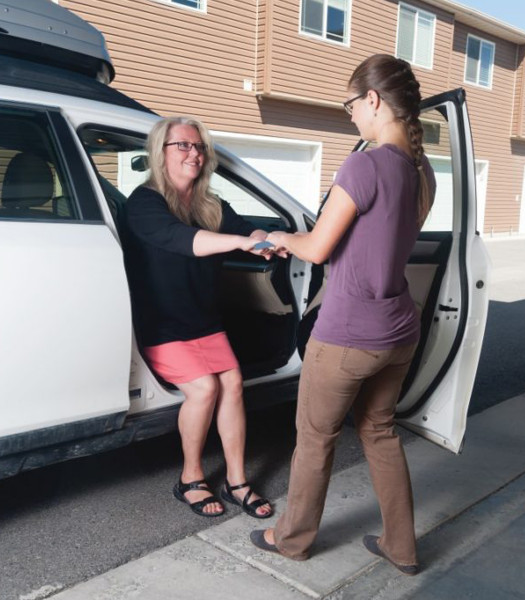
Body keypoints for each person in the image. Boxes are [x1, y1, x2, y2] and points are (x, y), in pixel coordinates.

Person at [249, 54, 436, 573]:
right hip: (399, 332)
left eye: (350, 105)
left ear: (373, 100)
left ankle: (291, 539)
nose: (350, 114)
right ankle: (402, 547)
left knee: (314, 439)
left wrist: (278, 236)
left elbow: (316, 248)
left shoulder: (364, 164)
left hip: (349, 334)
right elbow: (381, 241)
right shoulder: (421, 170)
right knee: (379, 432)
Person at [124, 116, 273, 519]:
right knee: (205, 389)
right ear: (161, 152)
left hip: (202, 321)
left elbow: (248, 230)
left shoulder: (209, 204)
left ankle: (237, 482)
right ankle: (190, 478)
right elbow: (186, 241)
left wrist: (265, 240)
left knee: (233, 385)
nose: (194, 153)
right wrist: (240, 242)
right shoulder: (144, 203)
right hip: (162, 324)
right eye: (183, 145)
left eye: (199, 147)